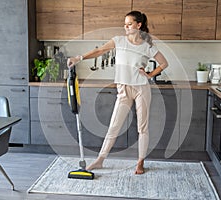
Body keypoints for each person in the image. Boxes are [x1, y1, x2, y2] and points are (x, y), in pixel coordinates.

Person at [67, 11, 168, 174]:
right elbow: (99, 51)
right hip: (123, 89)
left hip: (142, 88)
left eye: (129, 24)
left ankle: (140, 162)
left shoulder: (147, 46)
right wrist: (79, 58)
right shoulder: (118, 41)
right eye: (125, 24)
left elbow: (164, 63)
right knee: (114, 126)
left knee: (142, 128)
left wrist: (149, 75)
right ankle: (100, 160)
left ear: (138, 25)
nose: (125, 26)